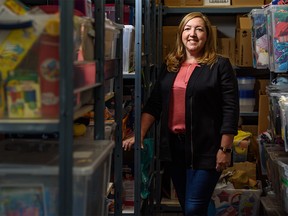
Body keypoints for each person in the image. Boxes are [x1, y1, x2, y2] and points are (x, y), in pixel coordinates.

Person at [122, 12, 239, 216]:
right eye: (187, 29)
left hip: (207, 148)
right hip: (175, 149)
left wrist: (225, 149)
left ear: (207, 35)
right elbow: (154, 105)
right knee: (188, 206)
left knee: (194, 207)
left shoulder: (219, 65)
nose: (192, 34)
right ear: (181, 34)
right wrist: (139, 134)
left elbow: (231, 109)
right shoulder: (170, 66)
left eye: (199, 29)